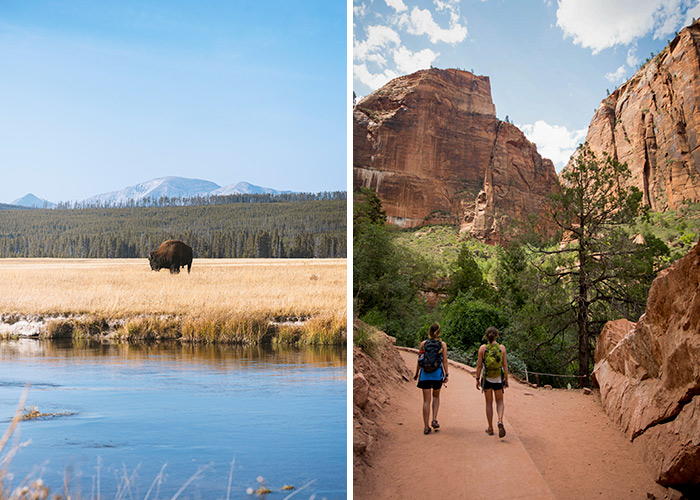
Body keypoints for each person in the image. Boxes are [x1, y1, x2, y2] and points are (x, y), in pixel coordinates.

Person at [413, 323, 449, 435]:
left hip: (425, 375)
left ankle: (426, 426)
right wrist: (446, 374)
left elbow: (420, 360)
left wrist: (416, 373)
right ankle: (434, 419)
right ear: (439, 332)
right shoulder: (442, 344)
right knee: (436, 396)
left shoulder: (423, 344)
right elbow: (445, 361)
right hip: (437, 374)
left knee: (426, 401)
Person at [475, 326, 509, 438]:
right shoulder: (502, 348)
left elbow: (479, 365)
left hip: (487, 378)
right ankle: (500, 420)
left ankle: (490, 428)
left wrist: (477, 379)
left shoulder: (483, 348)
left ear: (486, 336)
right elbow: (504, 365)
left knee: (488, 403)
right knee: (500, 401)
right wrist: (506, 379)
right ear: (497, 336)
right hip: (498, 379)